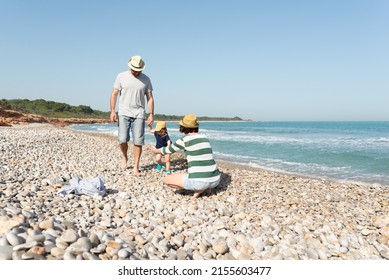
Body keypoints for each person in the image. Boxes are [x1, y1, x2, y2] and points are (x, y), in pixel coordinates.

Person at [153, 114, 221, 200]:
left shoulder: (185, 140)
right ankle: (206, 187)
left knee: (167, 180)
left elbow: (168, 150)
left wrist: (156, 151)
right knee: (191, 175)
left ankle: (199, 189)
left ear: (184, 127)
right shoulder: (205, 138)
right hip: (216, 180)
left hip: (199, 183)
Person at [110, 55, 154, 176]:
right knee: (122, 139)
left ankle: (136, 166)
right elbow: (114, 94)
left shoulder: (146, 79)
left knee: (138, 141)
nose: (136, 72)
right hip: (123, 112)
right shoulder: (121, 76)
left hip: (139, 113)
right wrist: (113, 111)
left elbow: (149, 98)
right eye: (134, 69)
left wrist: (151, 114)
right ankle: (125, 157)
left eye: (138, 70)